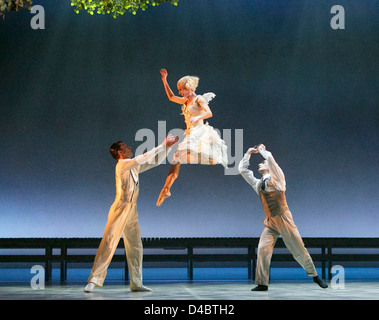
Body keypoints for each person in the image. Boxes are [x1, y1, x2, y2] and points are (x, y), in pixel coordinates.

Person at [84, 134, 179, 293]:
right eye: (125, 146)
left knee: (135, 245)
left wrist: (167, 147)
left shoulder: (133, 165)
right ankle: (94, 280)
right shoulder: (122, 165)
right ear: (120, 152)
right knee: (110, 241)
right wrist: (163, 144)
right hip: (120, 207)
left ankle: (136, 283)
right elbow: (144, 157)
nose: (129, 147)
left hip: (131, 209)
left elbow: (154, 161)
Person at [238, 144, 328, 291]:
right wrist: (248, 153)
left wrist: (261, 150)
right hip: (271, 222)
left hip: (284, 218)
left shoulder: (278, 179)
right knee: (262, 248)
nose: (260, 163)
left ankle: (315, 276)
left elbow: (271, 159)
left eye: (262, 162)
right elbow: (243, 170)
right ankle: (262, 283)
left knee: (298, 248)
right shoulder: (259, 184)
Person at [156, 69, 228, 206]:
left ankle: (212, 158)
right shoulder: (185, 101)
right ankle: (166, 189)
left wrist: (198, 116)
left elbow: (209, 113)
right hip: (190, 132)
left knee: (181, 155)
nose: (180, 92)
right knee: (176, 158)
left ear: (188, 88)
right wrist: (164, 80)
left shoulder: (199, 99)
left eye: (181, 89)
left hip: (199, 132)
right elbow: (171, 97)